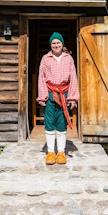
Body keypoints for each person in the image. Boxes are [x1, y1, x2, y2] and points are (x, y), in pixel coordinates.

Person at [36, 32, 79, 165]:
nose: (56, 45)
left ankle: (61, 152)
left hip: (64, 94)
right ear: (51, 45)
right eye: (53, 43)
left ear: (62, 44)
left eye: (58, 43)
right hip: (50, 93)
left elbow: (73, 78)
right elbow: (41, 78)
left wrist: (72, 98)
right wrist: (43, 96)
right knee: (49, 122)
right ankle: (50, 152)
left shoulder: (68, 59)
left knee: (61, 122)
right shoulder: (45, 58)